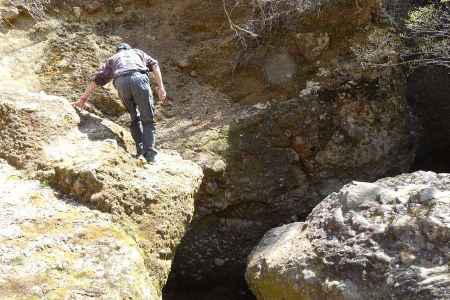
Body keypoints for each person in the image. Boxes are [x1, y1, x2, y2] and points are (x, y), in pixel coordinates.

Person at [74, 43, 167, 163]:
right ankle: (149, 154)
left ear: (118, 51)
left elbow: (98, 79)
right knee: (148, 119)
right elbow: (154, 65)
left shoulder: (113, 59)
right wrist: (161, 87)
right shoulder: (138, 52)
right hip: (139, 78)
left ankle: (140, 149)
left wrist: (83, 99)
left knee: (135, 116)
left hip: (121, 82)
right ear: (128, 49)